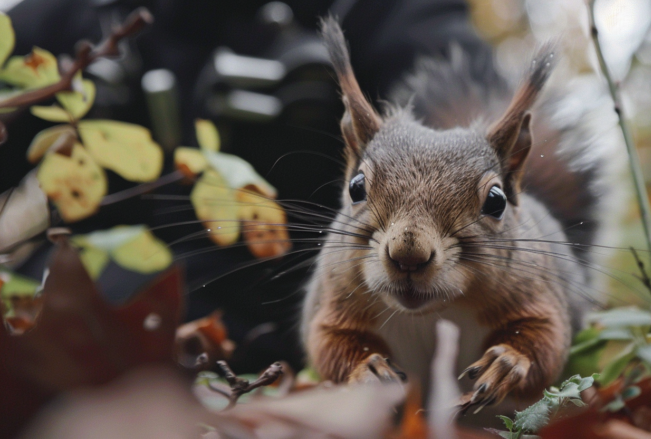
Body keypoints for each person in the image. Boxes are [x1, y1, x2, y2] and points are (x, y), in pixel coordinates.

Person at [1, 0, 498, 372]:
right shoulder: (78, 16)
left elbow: (472, 129)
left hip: (291, 325)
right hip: (69, 313)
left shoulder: (378, 11)